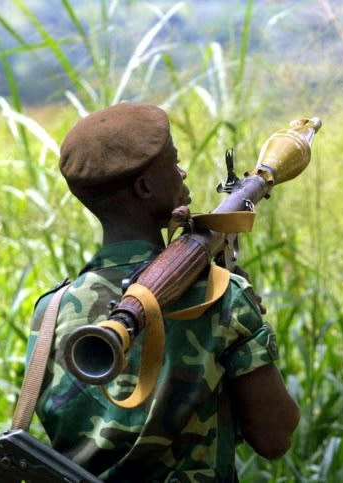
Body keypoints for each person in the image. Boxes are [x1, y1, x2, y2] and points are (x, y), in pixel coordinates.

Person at [27, 102, 299, 482]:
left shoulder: (50, 312)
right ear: (144, 187)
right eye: (173, 163)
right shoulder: (221, 296)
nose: (182, 171)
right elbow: (275, 437)